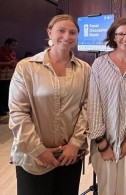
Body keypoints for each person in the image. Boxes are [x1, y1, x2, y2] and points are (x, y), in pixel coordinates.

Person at [9, 14, 90, 195]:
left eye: (72, 32)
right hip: (33, 158)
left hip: (70, 156)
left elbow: (88, 107)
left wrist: (75, 144)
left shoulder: (85, 69)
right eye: (61, 30)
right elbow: (18, 112)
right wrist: (38, 151)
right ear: (49, 32)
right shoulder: (26, 67)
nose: (67, 36)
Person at [87, 17, 126, 195]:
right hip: (103, 140)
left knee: (125, 188)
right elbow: (93, 105)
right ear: (113, 37)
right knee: (106, 188)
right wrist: (102, 143)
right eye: (120, 34)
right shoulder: (99, 64)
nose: (125, 38)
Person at [0, 38, 18, 116]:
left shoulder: (13, 52)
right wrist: (8, 63)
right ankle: (1, 110)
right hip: (2, 76)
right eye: (13, 45)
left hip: (10, 75)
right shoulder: (1, 51)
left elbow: (13, 61)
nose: (14, 47)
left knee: (8, 91)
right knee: (1, 93)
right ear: (7, 44)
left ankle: (6, 107)